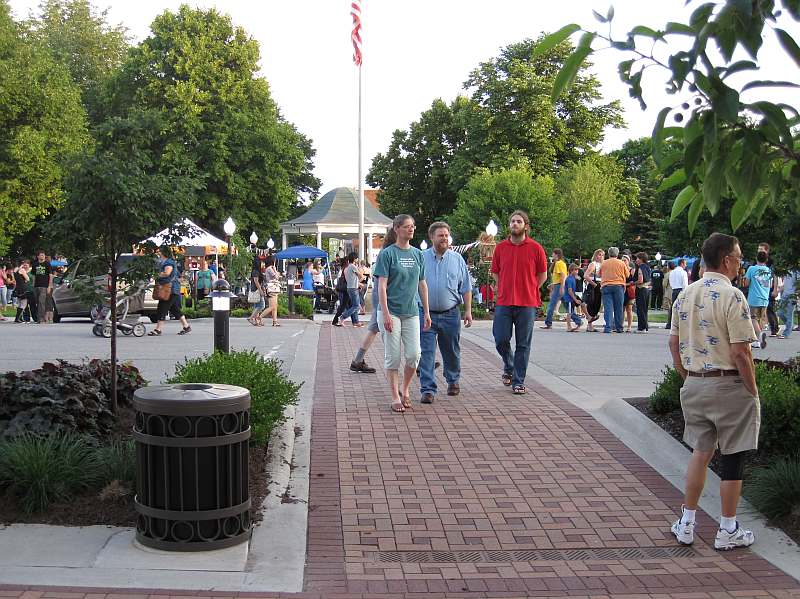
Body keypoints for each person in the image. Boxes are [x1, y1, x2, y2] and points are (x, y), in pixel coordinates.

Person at [669, 232, 758, 551]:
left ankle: (687, 523)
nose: (740, 263)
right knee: (733, 456)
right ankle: (727, 529)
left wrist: (686, 375)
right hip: (729, 384)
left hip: (695, 384)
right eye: (739, 257)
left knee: (700, 451)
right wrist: (752, 389)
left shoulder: (686, 295)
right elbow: (741, 352)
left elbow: (673, 342)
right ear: (726, 259)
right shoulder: (733, 296)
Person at [373, 214, 431, 413]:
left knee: (414, 354)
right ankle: (395, 396)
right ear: (397, 229)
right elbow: (381, 286)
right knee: (394, 357)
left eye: (413, 226)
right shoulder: (388, 254)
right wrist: (386, 314)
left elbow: (422, 284)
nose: (411, 229)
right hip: (391, 312)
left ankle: (405, 388)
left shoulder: (417, 254)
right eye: (407, 226)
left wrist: (427, 312)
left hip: (411, 312)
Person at [490, 210, 548, 395]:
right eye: (512, 221)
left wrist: (531, 288)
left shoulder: (536, 248)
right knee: (500, 339)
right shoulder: (500, 247)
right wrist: (501, 288)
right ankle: (509, 365)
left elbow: (543, 275)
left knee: (523, 344)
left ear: (526, 226)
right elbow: (495, 271)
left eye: (519, 221)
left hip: (527, 303)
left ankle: (518, 381)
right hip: (504, 301)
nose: (515, 224)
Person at [418, 221, 472, 404]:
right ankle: (427, 389)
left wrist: (468, 311)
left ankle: (453, 380)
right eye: (440, 235)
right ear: (431, 237)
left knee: (451, 350)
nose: (444, 238)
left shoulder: (457, 260)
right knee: (426, 352)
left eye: (446, 235)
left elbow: (466, 287)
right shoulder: (421, 258)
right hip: (426, 314)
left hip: (451, 314)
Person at [149, 247, 191, 336]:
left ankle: (158, 329)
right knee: (175, 309)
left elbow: (167, 273)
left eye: (159, 251)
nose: (158, 253)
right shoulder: (167, 261)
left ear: (163, 252)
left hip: (169, 289)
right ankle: (186, 326)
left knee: (162, 308)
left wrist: (156, 275)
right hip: (172, 288)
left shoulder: (168, 262)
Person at [744, 250, 772, 349]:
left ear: (756, 258)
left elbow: (746, 283)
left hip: (754, 298)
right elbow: (770, 284)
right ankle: (756, 341)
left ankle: (759, 336)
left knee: (752, 318)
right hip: (765, 298)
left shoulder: (751, 269)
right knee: (760, 319)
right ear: (766, 260)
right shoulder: (768, 270)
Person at [599, 247, 627, 334]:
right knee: (618, 308)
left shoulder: (604, 263)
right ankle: (619, 327)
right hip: (619, 286)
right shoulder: (621, 263)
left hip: (606, 286)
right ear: (617, 254)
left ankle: (608, 327)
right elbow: (627, 274)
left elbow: (599, 274)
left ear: (609, 253)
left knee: (608, 308)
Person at [758, 242, 780, 336]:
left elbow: (775, 275)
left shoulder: (771, 262)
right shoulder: (757, 261)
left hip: (769, 287)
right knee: (764, 308)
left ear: (767, 250)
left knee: (770, 307)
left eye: (761, 249)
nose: (759, 251)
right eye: (758, 249)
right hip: (760, 288)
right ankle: (762, 326)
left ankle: (775, 328)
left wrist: (775, 289)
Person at [541, 248, 567, 329]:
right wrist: (553, 284)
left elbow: (563, 275)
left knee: (552, 304)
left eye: (553, 254)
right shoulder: (560, 263)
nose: (552, 255)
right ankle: (578, 321)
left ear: (556, 254)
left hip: (559, 286)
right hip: (558, 285)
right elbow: (559, 277)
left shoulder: (559, 263)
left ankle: (548, 323)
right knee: (566, 304)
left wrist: (561, 287)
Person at [338, 253, 364, 328]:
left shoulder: (346, 267)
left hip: (349, 288)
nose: (357, 259)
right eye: (357, 258)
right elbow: (361, 276)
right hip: (354, 288)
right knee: (356, 306)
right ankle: (343, 316)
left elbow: (349, 279)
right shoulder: (353, 266)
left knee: (354, 305)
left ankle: (355, 322)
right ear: (354, 259)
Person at [581, 249, 604, 332]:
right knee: (591, 303)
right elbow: (586, 275)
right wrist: (594, 284)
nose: (600, 256)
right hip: (594, 284)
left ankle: (590, 324)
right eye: (599, 254)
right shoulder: (593, 264)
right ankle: (589, 325)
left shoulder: (603, 264)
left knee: (597, 304)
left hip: (600, 284)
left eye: (602, 255)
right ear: (595, 255)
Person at [665, 259, 689, 330]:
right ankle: (680, 323)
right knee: (682, 308)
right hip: (681, 290)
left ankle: (669, 323)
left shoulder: (672, 272)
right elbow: (685, 283)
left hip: (674, 290)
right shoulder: (683, 272)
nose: (686, 265)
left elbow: (671, 282)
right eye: (685, 264)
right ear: (682, 264)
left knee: (673, 307)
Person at [259, 255, 282, 327]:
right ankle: (259, 317)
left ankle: (275, 321)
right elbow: (276, 276)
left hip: (273, 288)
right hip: (271, 288)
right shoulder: (269, 268)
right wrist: (275, 270)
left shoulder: (269, 268)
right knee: (272, 306)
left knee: (275, 306)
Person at [32, 250, 53, 324]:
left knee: (41, 302)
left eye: (43, 255)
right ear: (38, 256)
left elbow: (51, 275)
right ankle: (39, 318)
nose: (43, 256)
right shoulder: (35, 264)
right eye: (41, 255)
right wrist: (33, 285)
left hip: (44, 286)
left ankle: (42, 319)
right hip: (36, 285)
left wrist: (49, 286)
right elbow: (34, 275)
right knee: (38, 302)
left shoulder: (47, 264)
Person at [777, 268, 798, 339]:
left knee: (789, 314)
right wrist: (778, 291)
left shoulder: (796, 271)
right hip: (784, 295)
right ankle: (790, 325)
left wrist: (797, 295)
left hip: (792, 295)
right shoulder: (787, 271)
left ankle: (786, 333)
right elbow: (785, 284)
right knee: (779, 313)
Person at [563, 263, 583, 332]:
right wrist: (575, 300)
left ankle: (579, 323)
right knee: (569, 313)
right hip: (568, 299)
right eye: (576, 270)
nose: (577, 272)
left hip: (571, 298)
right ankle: (569, 326)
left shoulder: (573, 278)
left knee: (571, 312)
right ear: (571, 271)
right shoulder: (569, 279)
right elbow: (570, 291)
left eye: (577, 270)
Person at [634, 252, 652, 333]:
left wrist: (633, 283)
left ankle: (641, 327)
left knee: (640, 309)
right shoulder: (648, 267)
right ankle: (645, 326)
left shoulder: (640, 267)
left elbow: (640, 280)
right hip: (647, 289)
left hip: (641, 289)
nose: (636, 260)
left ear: (641, 259)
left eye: (637, 258)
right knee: (645, 309)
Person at [331, 256, 351, 327]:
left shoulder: (342, 269)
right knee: (344, 305)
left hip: (343, 289)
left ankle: (336, 320)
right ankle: (338, 319)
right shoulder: (345, 269)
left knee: (344, 305)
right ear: (347, 262)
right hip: (345, 289)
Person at [622, 254, 636, 333]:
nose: (623, 262)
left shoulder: (632, 270)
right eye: (622, 260)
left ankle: (629, 326)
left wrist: (626, 284)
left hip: (629, 291)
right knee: (622, 309)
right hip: (622, 290)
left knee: (629, 309)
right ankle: (621, 324)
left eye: (625, 260)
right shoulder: (620, 269)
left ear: (628, 261)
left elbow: (633, 282)